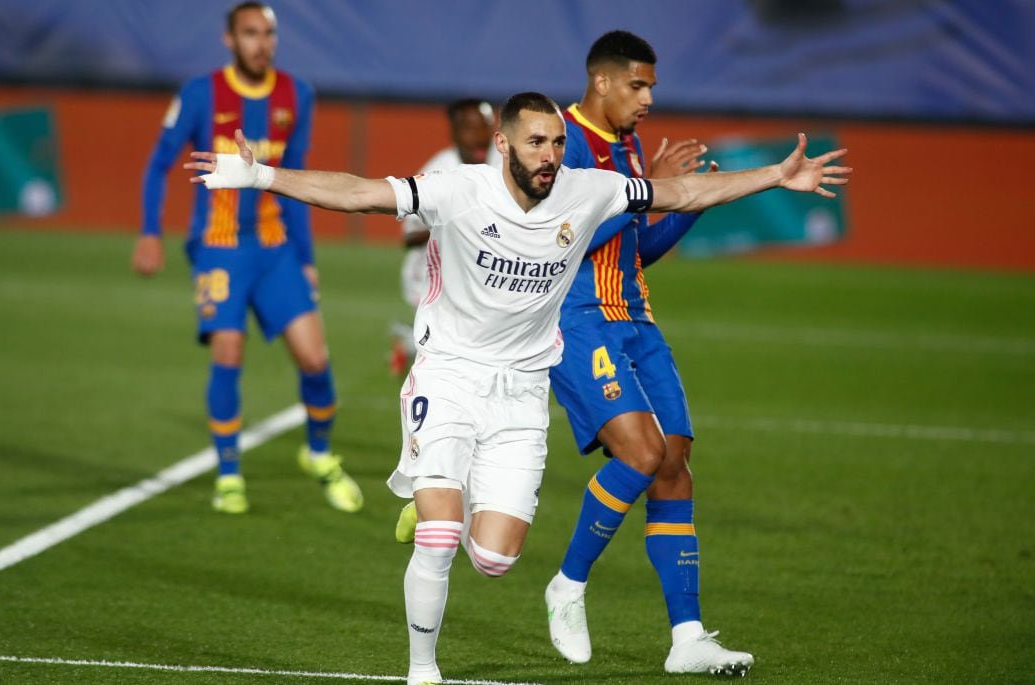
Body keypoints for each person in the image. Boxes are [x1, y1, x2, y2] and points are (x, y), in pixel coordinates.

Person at [183, 92, 850, 684]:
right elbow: (357, 191)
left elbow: (682, 194)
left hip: (522, 393)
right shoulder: (458, 189)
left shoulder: (588, 191)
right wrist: (261, 175)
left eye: (558, 142)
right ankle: (423, 669)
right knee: (441, 538)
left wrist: (774, 176)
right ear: (503, 143)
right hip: (448, 375)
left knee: (495, 559)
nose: (549, 154)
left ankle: (439, 493)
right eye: (535, 141)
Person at [541, 30, 759, 676]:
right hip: (579, 320)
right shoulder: (562, 140)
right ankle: (568, 584)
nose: (647, 99)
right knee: (641, 453)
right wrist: (647, 188)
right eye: (637, 85)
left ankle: (687, 636)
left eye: (652, 88)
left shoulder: (629, 144)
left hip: (636, 315)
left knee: (674, 463)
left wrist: (680, 202)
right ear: (602, 81)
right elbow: (553, 243)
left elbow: (638, 246)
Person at [130, 1, 363, 515]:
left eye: (269, 34)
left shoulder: (296, 94)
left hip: (276, 247)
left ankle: (318, 452)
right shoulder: (200, 93)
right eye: (251, 33)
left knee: (316, 358)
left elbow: (296, 179)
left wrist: (305, 258)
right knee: (228, 354)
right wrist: (149, 232)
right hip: (218, 247)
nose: (262, 43)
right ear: (229, 39)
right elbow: (158, 164)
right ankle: (230, 472)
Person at [390, 98, 500, 375]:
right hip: (431, 274)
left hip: (477, 269)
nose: (479, 135)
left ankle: (410, 342)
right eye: (469, 128)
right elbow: (409, 236)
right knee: (454, 348)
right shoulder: (438, 170)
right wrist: (456, 222)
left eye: (485, 126)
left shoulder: (503, 164)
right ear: (454, 132)